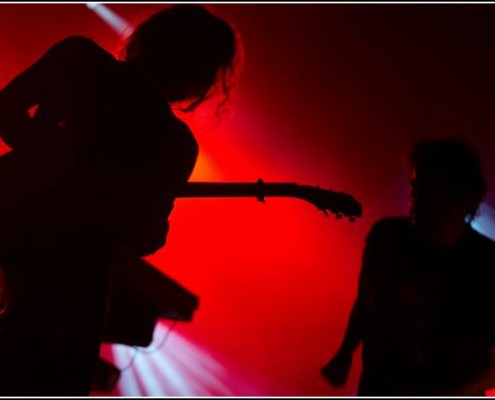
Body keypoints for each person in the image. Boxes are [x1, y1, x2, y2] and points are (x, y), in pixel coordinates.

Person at [0, 4, 241, 395]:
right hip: (69, 276)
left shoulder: (81, 58)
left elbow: (5, 109)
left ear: (148, 38)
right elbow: (148, 235)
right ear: (201, 77)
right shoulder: (175, 144)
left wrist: (51, 160)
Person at [321, 138, 495, 396]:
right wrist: (345, 352)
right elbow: (366, 302)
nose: (415, 195)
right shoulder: (386, 238)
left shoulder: (486, 263)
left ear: (461, 196)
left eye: (429, 187)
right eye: (415, 185)